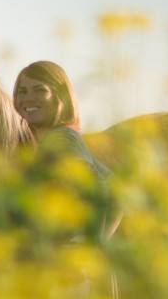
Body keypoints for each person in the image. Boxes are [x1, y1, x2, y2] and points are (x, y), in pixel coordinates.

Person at [13, 60, 121, 243]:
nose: (28, 98)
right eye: (22, 91)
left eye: (40, 90)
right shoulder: (43, 143)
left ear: (61, 96)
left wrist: (85, 245)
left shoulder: (62, 139)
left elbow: (105, 194)